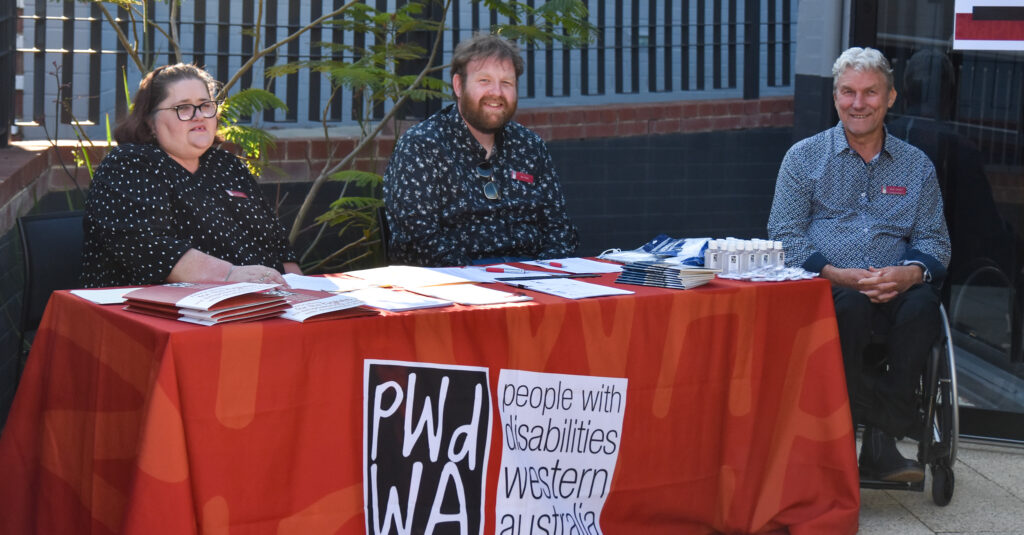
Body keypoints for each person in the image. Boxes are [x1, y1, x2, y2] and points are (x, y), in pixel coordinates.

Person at [767, 47, 951, 483]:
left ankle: (881, 445)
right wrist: (835, 273)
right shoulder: (803, 158)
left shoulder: (916, 166)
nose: (858, 103)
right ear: (835, 98)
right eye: (848, 92)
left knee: (925, 305)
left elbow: (935, 242)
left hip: (896, 290)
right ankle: (852, 435)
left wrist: (907, 274)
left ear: (890, 98)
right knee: (847, 308)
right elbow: (783, 235)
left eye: (870, 92)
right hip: (828, 287)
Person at [81, 64, 301, 287]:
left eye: (205, 105)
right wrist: (230, 275)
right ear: (150, 122)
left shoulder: (227, 165)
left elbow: (280, 249)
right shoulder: (129, 164)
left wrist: (300, 294)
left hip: (260, 302)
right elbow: (148, 246)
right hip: (153, 311)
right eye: (183, 108)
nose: (199, 116)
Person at [382, 34, 578, 267]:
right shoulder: (422, 146)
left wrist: (547, 274)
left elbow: (560, 230)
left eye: (507, 83)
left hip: (535, 277)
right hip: (456, 283)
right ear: (458, 85)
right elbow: (416, 240)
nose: (496, 92)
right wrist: (480, 282)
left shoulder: (530, 146)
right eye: (484, 80)